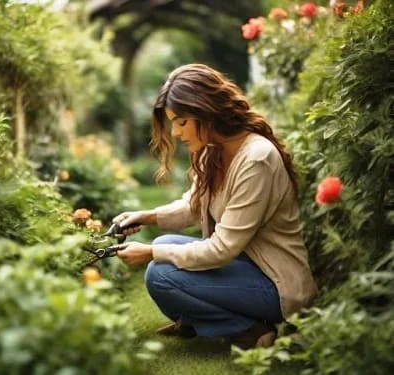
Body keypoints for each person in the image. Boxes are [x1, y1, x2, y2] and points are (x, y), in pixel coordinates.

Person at [112, 63, 317, 349]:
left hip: (276, 286)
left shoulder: (256, 159)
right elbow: (194, 206)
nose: (175, 132)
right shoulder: (213, 151)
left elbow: (222, 249)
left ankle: (245, 330)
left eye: (181, 121)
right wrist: (146, 217)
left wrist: (150, 252)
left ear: (205, 111)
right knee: (166, 244)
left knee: (160, 274)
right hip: (245, 269)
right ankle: (213, 320)